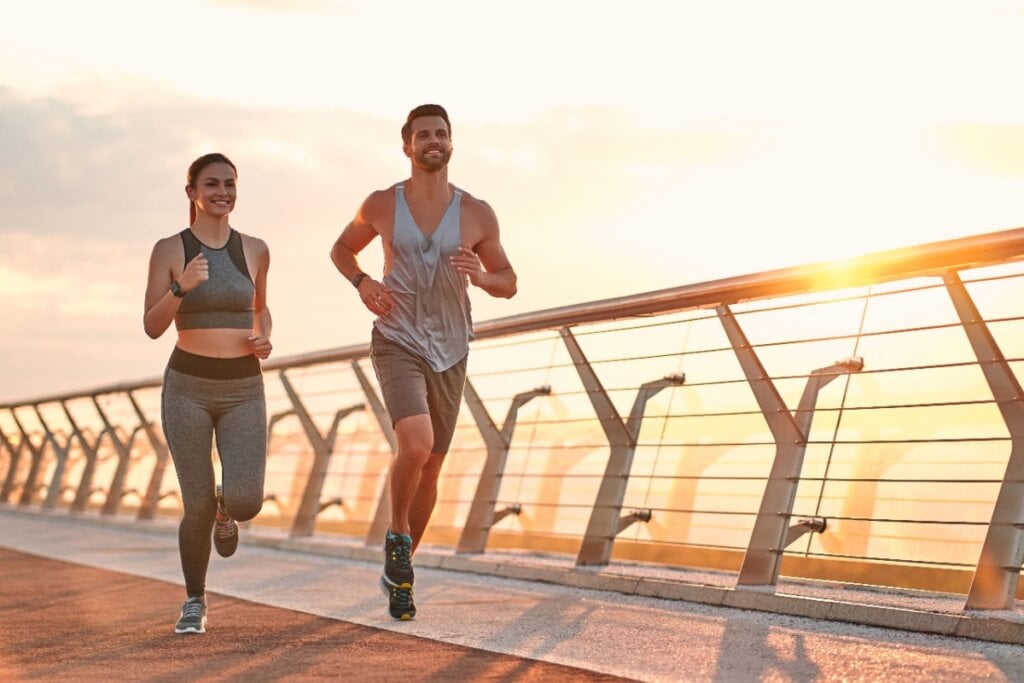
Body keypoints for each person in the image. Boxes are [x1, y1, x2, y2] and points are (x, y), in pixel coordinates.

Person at [330, 104, 517, 620]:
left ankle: (401, 575)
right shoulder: (380, 204)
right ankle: (397, 536)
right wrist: (363, 282)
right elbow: (342, 250)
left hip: (451, 350)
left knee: (432, 465)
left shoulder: (477, 213)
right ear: (407, 145)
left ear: (450, 143)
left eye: (441, 134)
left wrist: (481, 276)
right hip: (397, 340)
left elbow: (509, 282)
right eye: (423, 135)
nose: (433, 141)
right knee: (416, 442)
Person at [143, 153, 273, 635]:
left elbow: (261, 310)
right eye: (212, 183)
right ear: (192, 192)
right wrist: (180, 288)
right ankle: (194, 599)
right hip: (188, 388)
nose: (223, 191)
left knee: (246, 501)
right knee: (194, 504)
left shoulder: (256, 249)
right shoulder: (170, 248)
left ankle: (227, 508)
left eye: (230, 184)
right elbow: (152, 326)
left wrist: (264, 337)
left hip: (243, 387)